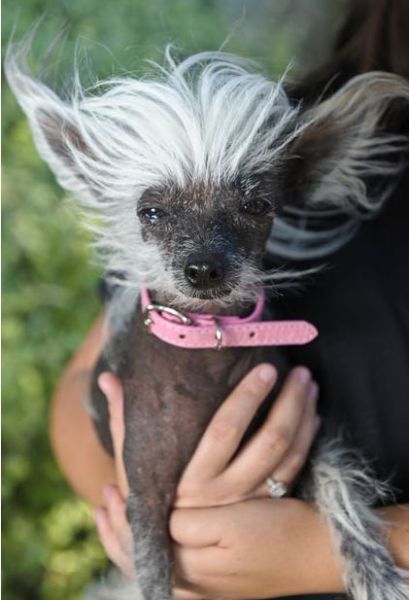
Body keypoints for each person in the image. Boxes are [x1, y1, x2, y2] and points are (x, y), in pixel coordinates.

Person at [50, 1, 409, 598]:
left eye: (252, 207)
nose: (200, 259)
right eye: (157, 214)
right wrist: (158, 507)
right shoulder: (245, 127)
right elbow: (83, 386)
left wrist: (317, 552)